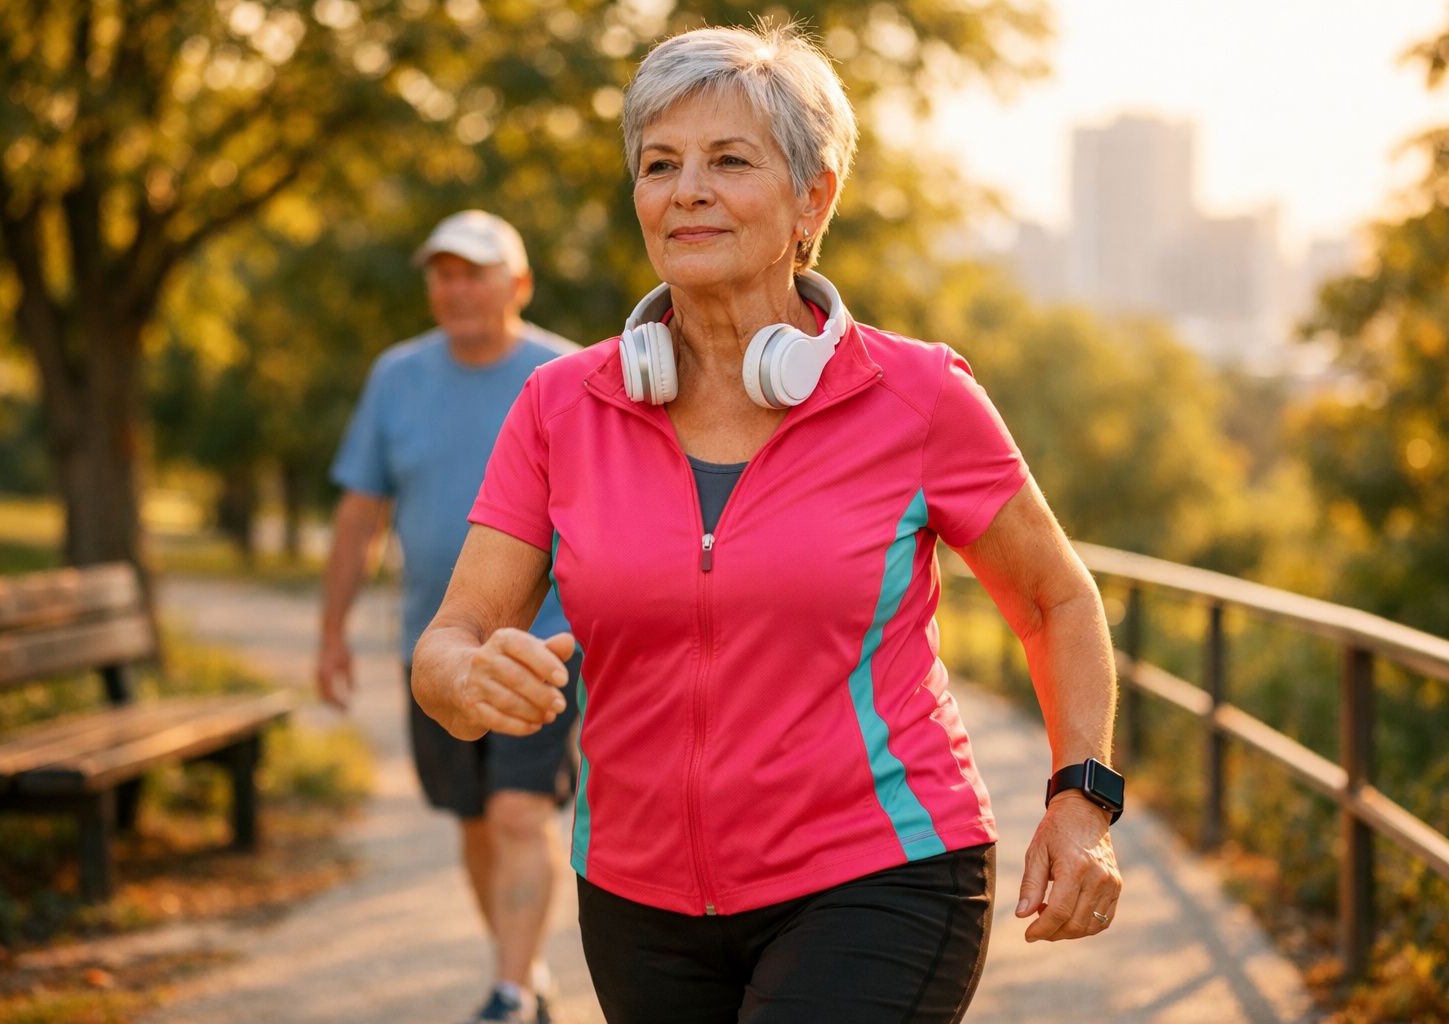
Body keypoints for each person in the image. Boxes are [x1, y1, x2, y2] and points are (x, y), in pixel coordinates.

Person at [412, 24, 1124, 1024]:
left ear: (813, 198)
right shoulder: (559, 407)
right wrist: (468, 678)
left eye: (729, 160)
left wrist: (1081, 799)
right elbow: (449, 640)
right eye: (660, 165)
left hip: (881, 872)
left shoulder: (916, 394)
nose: (686, 189)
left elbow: (1055, 599)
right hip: (635, 894)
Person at [317, 210, 579, 1024]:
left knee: (516, 811)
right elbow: (360, 516)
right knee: (471, 819)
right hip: (433, 647)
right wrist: (331, 634)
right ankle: (524, 971)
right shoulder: (396, 376)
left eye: (476, 272)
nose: (457, 288)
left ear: (520, 284)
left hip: (544, 642)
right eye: (443, 273)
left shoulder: (568, 375)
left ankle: (506, 992)